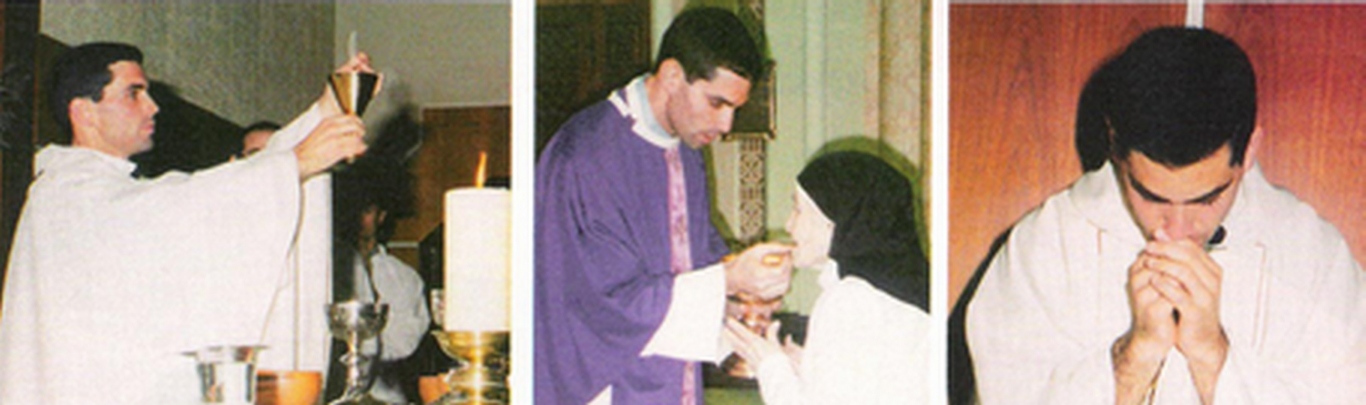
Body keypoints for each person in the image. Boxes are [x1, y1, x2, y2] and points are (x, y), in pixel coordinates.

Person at [966, 27, 1366, 404]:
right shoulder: (1046, 247)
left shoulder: (1314, 258)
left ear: (1249, 151)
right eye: (1151, 195)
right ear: (1115, 145)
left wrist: (1212, 355)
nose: (1176, 229)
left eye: (1205, 199)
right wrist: (1133, 358)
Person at [0, 42, 372, 404]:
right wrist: (297, 163)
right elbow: (179, 211)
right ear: (84, 112)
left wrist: (324, 112)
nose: (153, 106)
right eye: (134, 93)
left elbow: (189, 203)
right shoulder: (64, 196)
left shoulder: (113, 192)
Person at [535, 8, 793, 405]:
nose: (726, 125)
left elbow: (692, 254)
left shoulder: (684, 148)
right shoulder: (587, 154)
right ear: (672, 75)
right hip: (607, 389)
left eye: (734, 109)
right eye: (717, 103)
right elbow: (605, 306)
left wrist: (744, 296)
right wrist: (727, 280)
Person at [725, 151, 931, 404]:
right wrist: (807, 368)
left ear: (835, 220)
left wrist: (769, 364)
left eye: (798, 210)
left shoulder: (849, 299)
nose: (789, 225)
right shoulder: (900, 292)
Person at [329, 156, 428, 404]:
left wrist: (368, 346)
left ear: (381, 216)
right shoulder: (327, 268)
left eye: (367, 211)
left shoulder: (404, 277)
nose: (358, 219)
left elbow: (404, 343)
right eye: (352, 210)